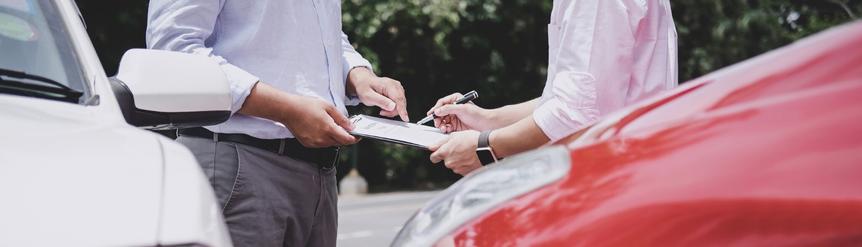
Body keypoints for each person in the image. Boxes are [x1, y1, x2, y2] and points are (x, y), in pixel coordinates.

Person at [146, 1, 408, 246]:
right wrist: (286, 110)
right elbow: (172, 49)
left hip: (319, 177)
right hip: (239, 166)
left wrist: (357, 75)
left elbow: (322, 38)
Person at [428, 0, 678, 175]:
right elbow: (585, 99)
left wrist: (485, 147)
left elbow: (576, 111)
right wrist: (487, 118)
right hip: (634, 166)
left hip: (612, 175)